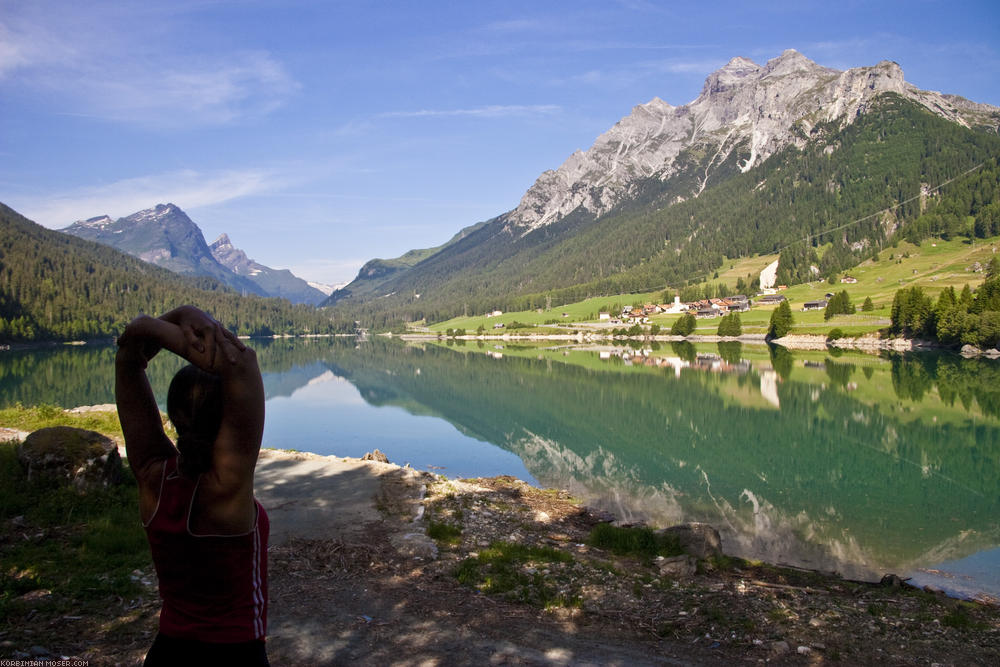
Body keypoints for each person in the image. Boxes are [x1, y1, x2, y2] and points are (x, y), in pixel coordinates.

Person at [115, 305, 269, 665]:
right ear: (226, 417)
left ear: (174, 416)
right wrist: (189, 318)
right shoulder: (226, 486)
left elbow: (128, 361)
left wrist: (147, 329)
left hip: (167, 653)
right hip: (237, 656)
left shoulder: (154, 477)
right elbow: (243, 365)